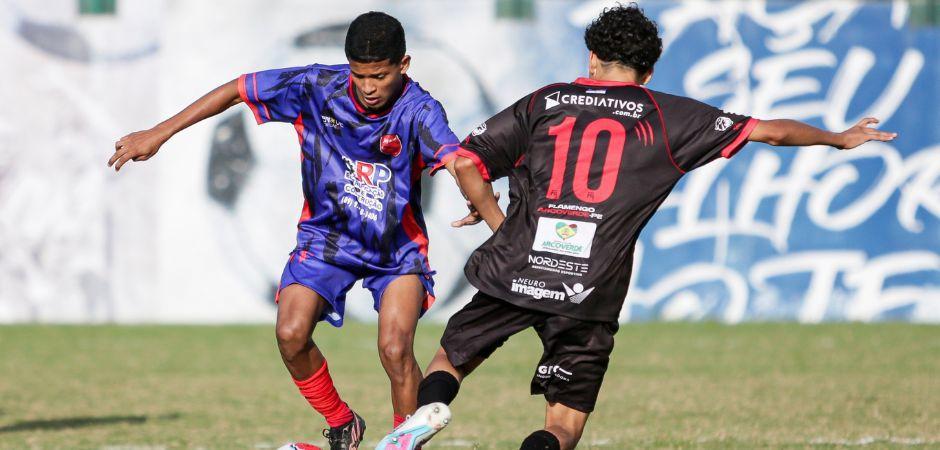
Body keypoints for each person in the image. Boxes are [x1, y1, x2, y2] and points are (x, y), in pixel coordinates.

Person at [374, 4, 898, 450]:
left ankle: (429, 413)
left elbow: (468, 162)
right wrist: (837, 137)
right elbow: (771, 132)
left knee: (450, 359)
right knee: (563, 423)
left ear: (592, 59)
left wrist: (493, 219)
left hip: (518, 264)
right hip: (590, 288)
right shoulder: (668, 117)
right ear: (648, 73)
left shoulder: (546, 101)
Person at [108, 11, 476, 450]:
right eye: (359, 75)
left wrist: (477, 196)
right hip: (325, 241)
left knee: (395, 350)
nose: (368, 87)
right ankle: (343, 424)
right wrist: (159, 132)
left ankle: (401, 444)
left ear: (404, 65)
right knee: (290, 334)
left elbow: (457, 158)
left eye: (379, 76)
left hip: (395, 249)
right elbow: (238, 88)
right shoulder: (317, 87)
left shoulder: (419, 109)